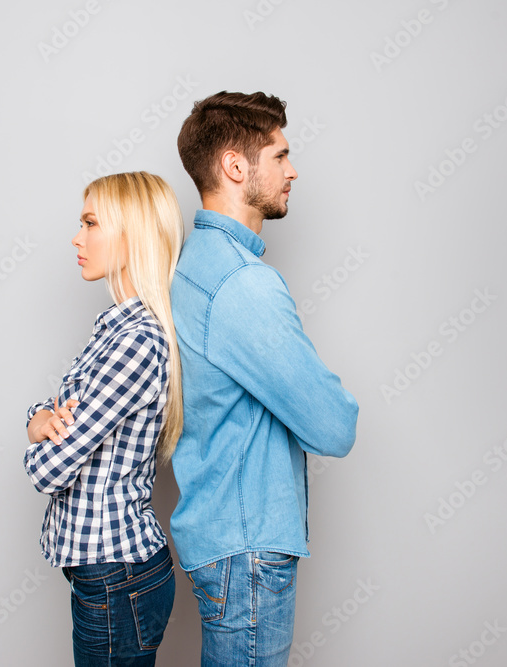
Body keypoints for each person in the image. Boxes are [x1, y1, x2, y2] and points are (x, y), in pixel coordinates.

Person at [171, 91, 360, 666]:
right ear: (235, 166)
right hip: (247, 550)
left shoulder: (193, 265)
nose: (292, 171)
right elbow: (334, 426)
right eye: (279, 156)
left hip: (223, 543)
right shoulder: (242, 283)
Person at [24, 171, 184, 666]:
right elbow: (51, 411)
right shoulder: (115, 330)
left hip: (116, 576)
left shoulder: (136, 342)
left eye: (91, 223)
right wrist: (39, 418)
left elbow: (49, 471)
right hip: (107, 574)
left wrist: (40, 435)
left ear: (133, 235)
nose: (78, 238)